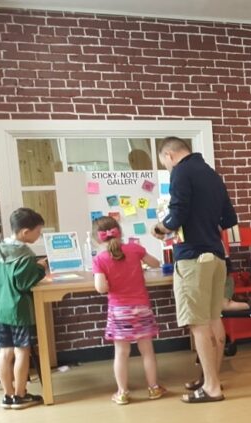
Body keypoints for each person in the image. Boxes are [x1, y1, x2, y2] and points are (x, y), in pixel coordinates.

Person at [153, 137, 238, 403]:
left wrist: (161, 228)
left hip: (192, 258)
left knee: (198, 324)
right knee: (213, 319)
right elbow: (229, 219)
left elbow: (176, 215)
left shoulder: (180, 172)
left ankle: (212, 387)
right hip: (216, 256)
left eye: (164, 163)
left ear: (168, 155)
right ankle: (211, 378)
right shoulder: (212, 174)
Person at [91, 216, 166, 405]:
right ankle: (154, 388)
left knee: (121, 353)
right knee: (147, 351)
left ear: (96, 239)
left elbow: (101, 288)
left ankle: (123, 392)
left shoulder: (100, 259)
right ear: (120, 231)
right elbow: (156, 263)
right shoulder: (135, 250)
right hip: (141, 308)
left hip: (119, 311)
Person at [0, 208, 48, 409]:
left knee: (5, 352)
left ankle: (8, 395)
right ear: (25, 232)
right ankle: (21, 395)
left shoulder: (1, 249)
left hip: (1, 307)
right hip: (18, 309)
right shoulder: (23, 254)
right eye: (38, 232)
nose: (39, 236)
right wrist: (39, 267)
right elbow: (23, 283)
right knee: (22, 351)